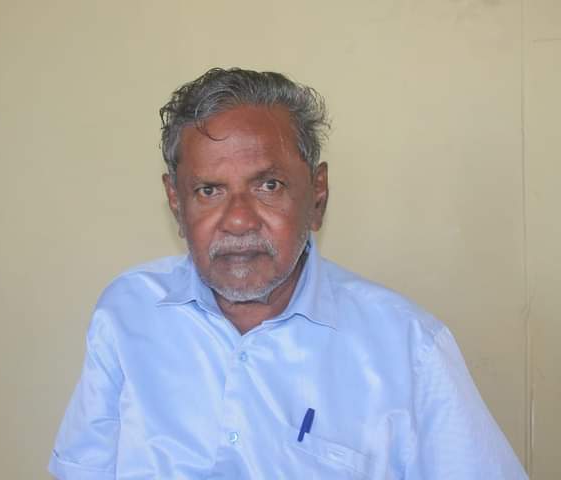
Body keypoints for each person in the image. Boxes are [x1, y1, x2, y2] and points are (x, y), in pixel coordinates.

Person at [49, 67, 527, 479]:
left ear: (317, 195)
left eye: (269, 185)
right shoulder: (127, 314)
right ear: (176, 203)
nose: (239, 220)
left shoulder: (409, 350)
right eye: (209, 191)